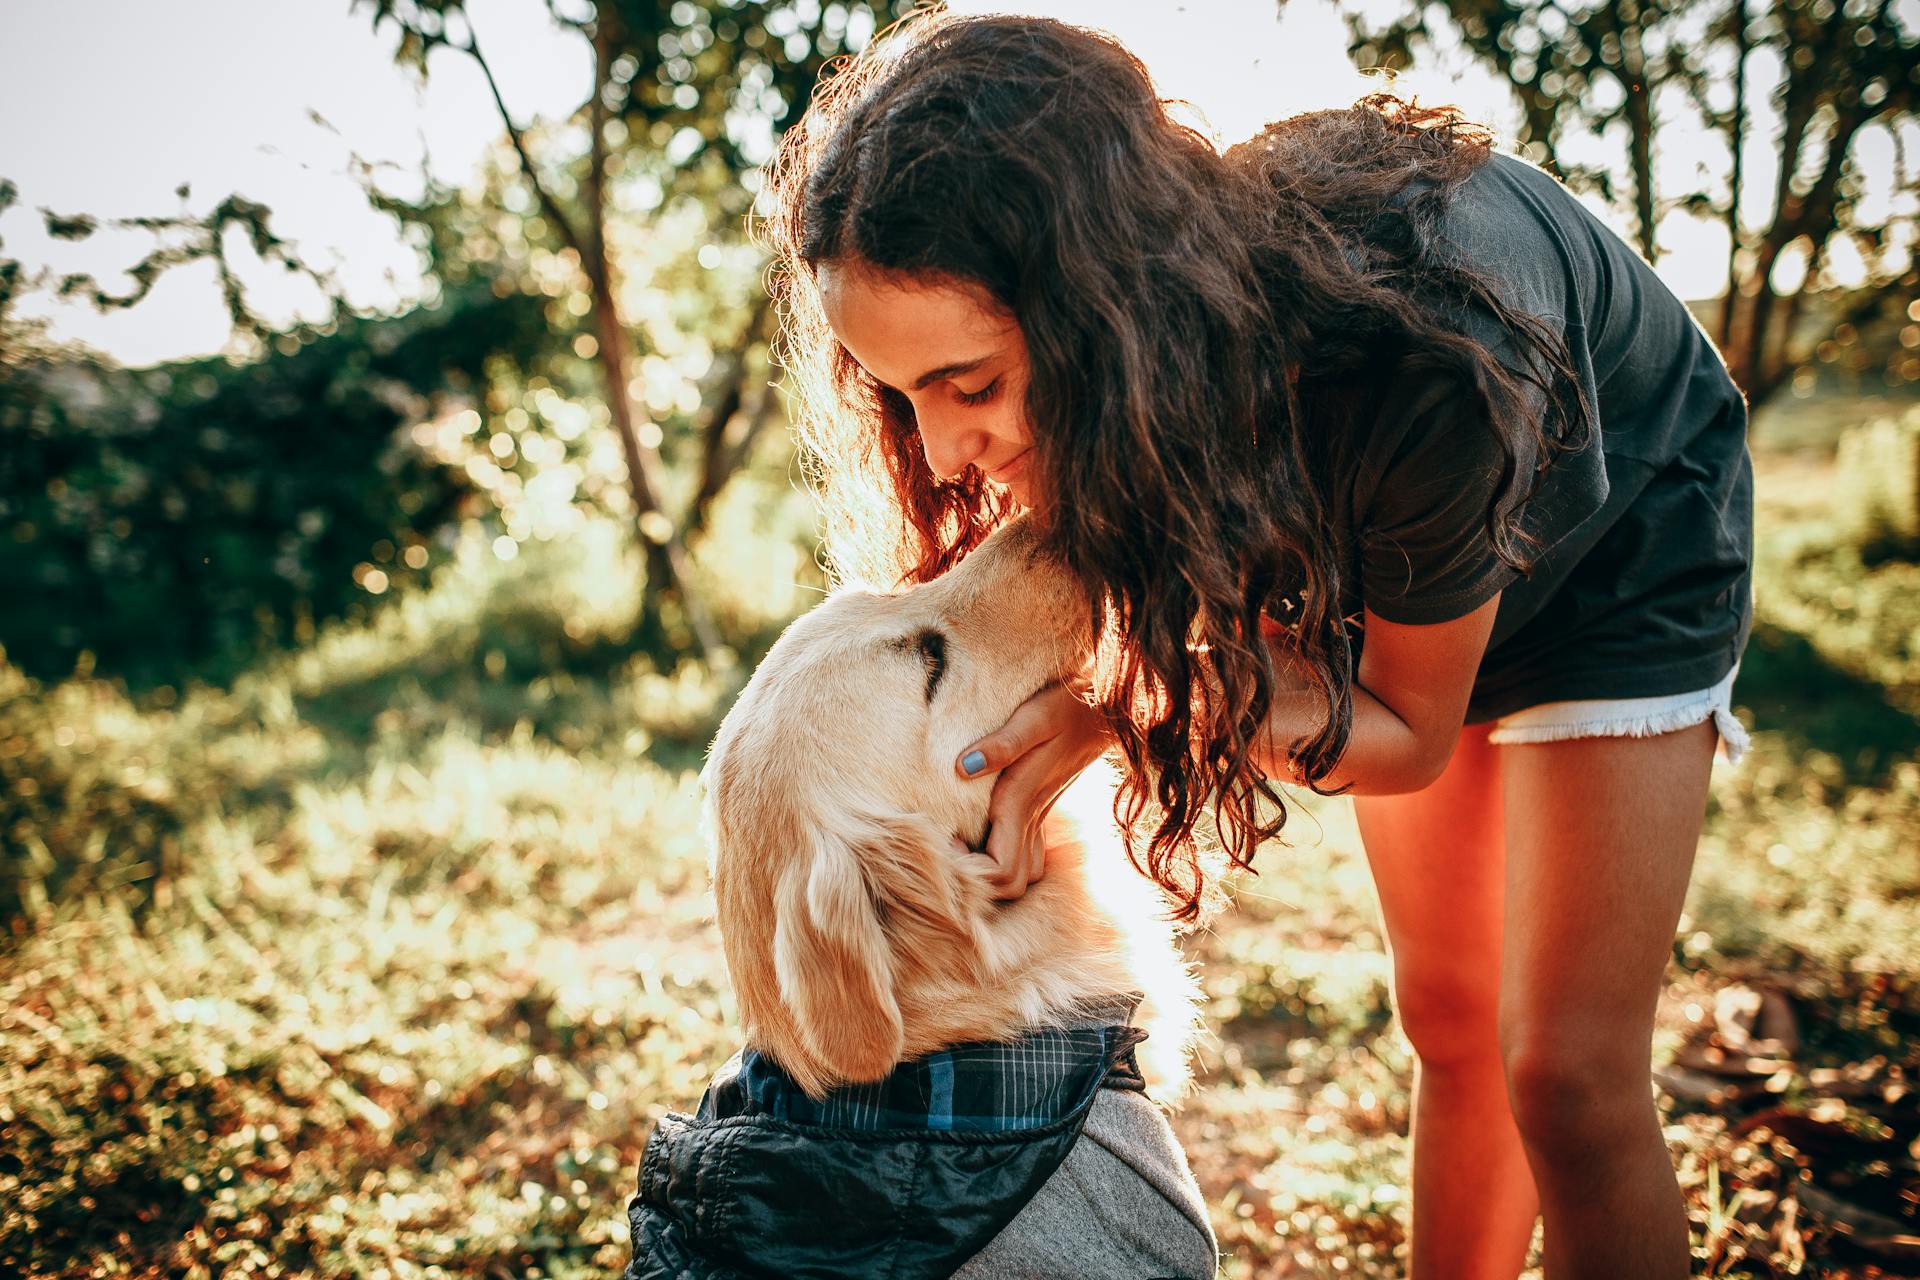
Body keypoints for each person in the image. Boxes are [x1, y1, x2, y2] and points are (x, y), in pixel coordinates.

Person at [759, 11, 1753, 1280]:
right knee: (1449, 1018)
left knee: (1565, 1070)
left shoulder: (1425, 355)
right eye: (900, 393)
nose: (944, 452)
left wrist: (1130, 707)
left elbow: (1403, 731)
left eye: (970, 384)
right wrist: (1120, 693)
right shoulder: (1154, 376)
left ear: (1100, 312)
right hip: (1396, 555)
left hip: (1623, 546)